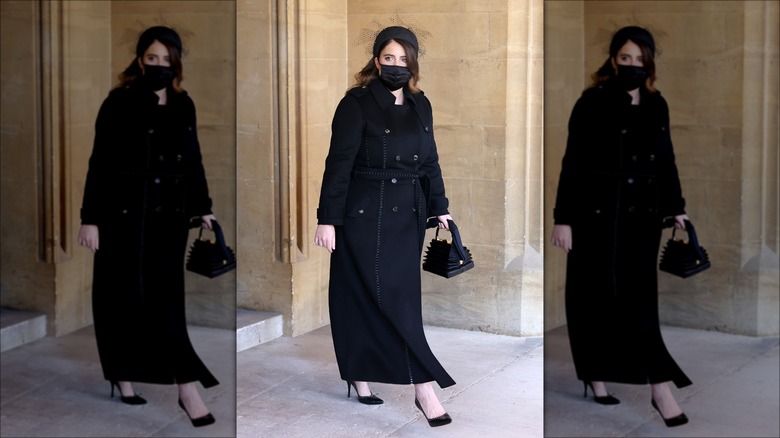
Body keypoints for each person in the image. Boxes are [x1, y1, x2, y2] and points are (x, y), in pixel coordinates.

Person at [550, 26, 691, 428]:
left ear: (649, 63)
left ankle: (659, 387)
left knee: (639, 305)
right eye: (624, 58)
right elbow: (572, 162)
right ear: (613, 59)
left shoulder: (656, 104)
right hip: (593, 219)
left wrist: (676, 208)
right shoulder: (591, 102)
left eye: (639, 59)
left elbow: (666, 159)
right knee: (591, 298)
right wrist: (564, 218)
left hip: (641, 220)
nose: (632, 65)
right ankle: (595, 377)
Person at [314, 26, 454, 428]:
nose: (395, 65)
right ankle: (423, 389)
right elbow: (338, 165)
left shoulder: (420, 104)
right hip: (363, 215)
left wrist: (440, 207)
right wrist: (328, 219)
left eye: (402, 59)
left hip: (408, 216)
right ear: (376, 60)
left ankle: (362, 375)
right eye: (387, 58)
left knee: (398, 299)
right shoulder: (355, 104)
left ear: (413, 63)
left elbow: (430, 161)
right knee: (365, 296)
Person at [78, 26, 217, 428]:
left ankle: (186, 387)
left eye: (166, 59)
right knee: (117, 298)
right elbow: (99, 162)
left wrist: (203, 208)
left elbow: (193, 159)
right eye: (151, 58)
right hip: (120, 217)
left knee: (165, 304)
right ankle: (122, 377)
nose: (158, 65)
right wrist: (90, 218)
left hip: (167, 220)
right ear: (140, 60)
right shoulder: (118, 101)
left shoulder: (182, 103)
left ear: (175, 63)